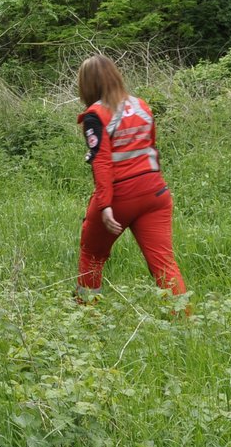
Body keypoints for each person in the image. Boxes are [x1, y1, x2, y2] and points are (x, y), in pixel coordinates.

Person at [74, 55, 188, 308]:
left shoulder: (95, 115)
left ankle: (85, 316)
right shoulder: (141, 106)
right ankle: (185, 320)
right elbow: (150, 146)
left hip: (120, 196)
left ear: (88, 84)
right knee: (164, 263)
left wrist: (105, 205)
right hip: (155, 192)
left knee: (91, 255)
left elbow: (101, 162)